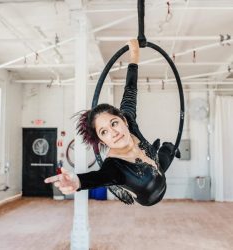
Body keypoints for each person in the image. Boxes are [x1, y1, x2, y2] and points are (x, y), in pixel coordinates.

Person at [44, 39, 180, 206]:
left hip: (159, 169)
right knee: (159, 158)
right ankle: (121, 187)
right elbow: (97, 177)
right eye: (104, 132)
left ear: (124, 120)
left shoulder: (128, 118)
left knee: (168, 148)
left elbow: (130, 89)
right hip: (148, 195)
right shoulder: (114, 166)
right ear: (102, 141)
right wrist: (77, 182)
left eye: (114, 123)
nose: (113, 132)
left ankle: (166, 148)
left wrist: (134, 56)